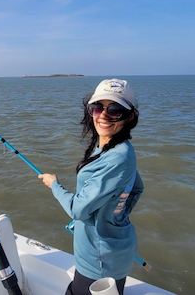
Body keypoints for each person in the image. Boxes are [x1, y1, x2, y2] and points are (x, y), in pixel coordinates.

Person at [38, 78, 144, 295]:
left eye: (114, 109)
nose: (103, 115)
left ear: (129, 116)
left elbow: (78, 209)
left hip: (98, 261)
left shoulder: (117, 156)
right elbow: (136, 188)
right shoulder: (119, 149)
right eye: (97, 108)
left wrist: (54, 185)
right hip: (114, 253)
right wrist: (113, 216)